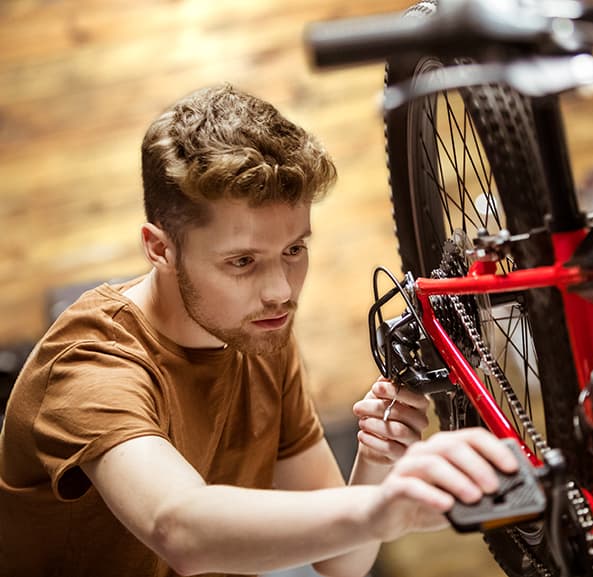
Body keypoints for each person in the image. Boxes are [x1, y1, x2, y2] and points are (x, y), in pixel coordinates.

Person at [0, 84, 517, 577]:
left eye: (294, 250)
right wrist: (380, 508)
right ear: (160, 248)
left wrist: (376, 465)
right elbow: (179, 528)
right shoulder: (91, 362)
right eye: (242, 260)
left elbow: (343, 563)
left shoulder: (258, 334)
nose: (281, 291)